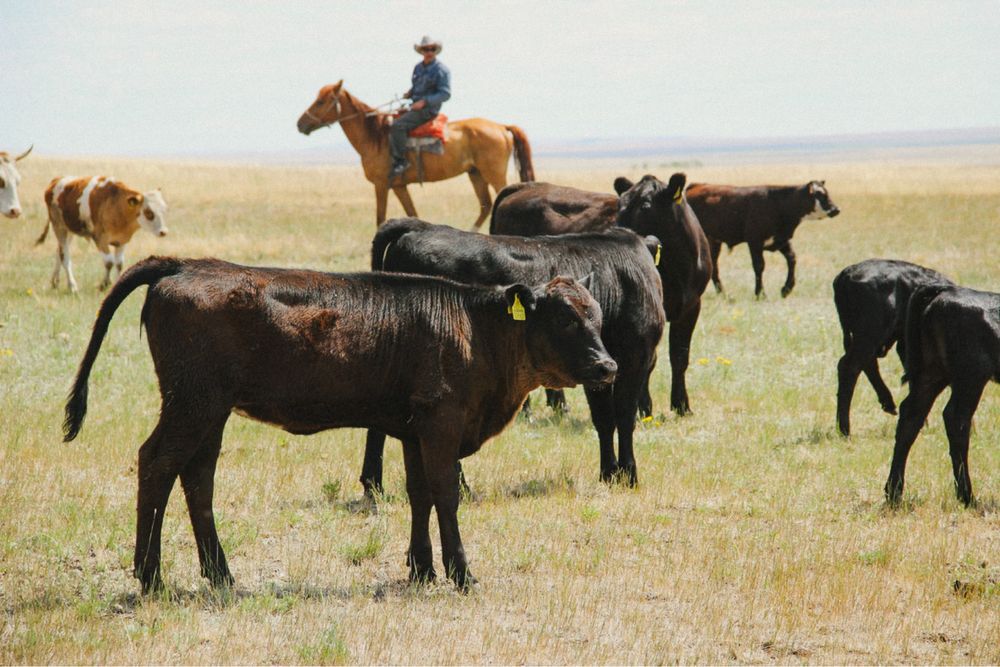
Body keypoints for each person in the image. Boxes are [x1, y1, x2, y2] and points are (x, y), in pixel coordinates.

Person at [389, 35, 451, 181]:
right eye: (426, 49)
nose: (429, 51)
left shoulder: (442, 70)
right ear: (421, 51)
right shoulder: (418, 68)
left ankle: (400, 161)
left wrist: (425, 102)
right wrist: (410, 93)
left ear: (436, 50)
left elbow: (445, 94)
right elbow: (417, 86)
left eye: (432, 49)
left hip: (428, 110)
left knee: (397, 126)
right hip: (415, 106)